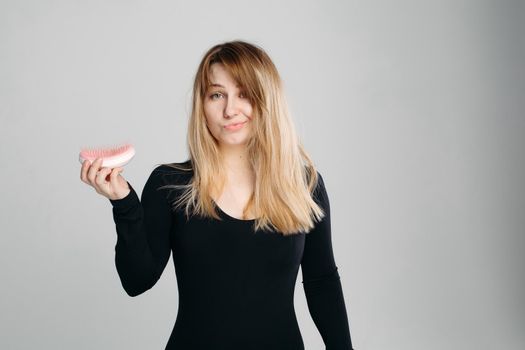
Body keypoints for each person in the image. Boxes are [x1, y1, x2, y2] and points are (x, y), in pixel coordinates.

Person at [80, 40, 354, 350]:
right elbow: (136, 281)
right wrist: (124, 203)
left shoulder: (304, 185)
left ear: (267, 100)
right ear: (202, 103)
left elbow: (322, 284)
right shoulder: (170, 185)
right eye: (217, 95)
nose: (230, 109)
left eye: (244, 94)